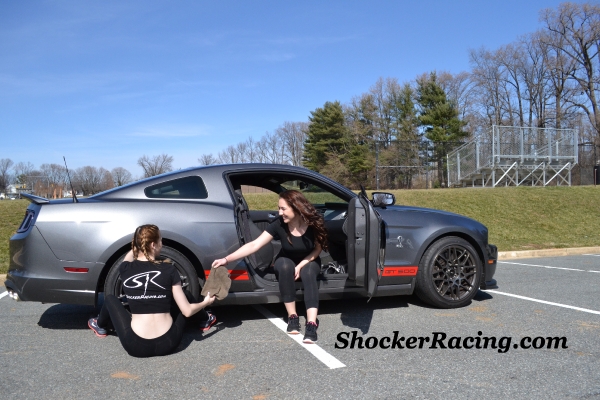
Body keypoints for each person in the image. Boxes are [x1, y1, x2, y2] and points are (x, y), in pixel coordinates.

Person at [212, 190, 327, 343]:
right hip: (286, 258)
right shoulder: (279, 224)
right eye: (279, 208)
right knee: (286, 268)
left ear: (296, 208)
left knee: (308, 273)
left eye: (283, 209)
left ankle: (311, 323)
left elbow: (318, 249)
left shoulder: (313, 223)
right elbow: (254, 244)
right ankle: (292, 316)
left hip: (309, 259)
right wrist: (227, 259)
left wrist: (301, 265)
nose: (279, 213)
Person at [88, 224, 216, 357]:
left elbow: (127, 258)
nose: (162, 243)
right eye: (161, 240)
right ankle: (206, 319)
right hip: (169, 343)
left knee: (110, 299)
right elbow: (187, 311)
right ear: (154, 245)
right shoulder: (169, 270)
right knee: (186, 296)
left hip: (136, 347)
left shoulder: (125, 269)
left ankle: (100, 326)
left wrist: (136, 245)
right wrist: (206, 302)